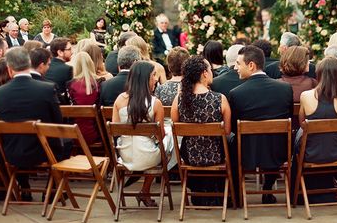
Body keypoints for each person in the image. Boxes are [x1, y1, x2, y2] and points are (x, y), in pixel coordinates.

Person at [0, 47, 64, 199]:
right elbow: (58, 122)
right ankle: (52, 190)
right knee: (66, 141)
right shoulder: (47, 89)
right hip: (44, 151)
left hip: (10, 152)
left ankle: (24, 186)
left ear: (9, 69)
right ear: (29, 63)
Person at [229, 44, 294, 204]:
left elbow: (231, 128)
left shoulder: (236, 93)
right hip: (279, 152)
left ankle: (236, 193)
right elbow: (289, 117)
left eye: (238, 63)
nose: (235, 67)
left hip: (246, 153)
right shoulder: (285, 89)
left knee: (229, 140)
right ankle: (268, 186)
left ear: (251, 65)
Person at [171, 56, 231, 204]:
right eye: (210, 70)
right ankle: (222, 192)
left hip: (190, 157)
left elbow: (175, 128)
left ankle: (198, 191)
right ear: (204, 73)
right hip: (215, 156)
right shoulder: (220, 99)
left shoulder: (179, 99)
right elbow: (227, 131)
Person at [113, 61, 171, 205]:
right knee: (171, 140)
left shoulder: (119, 100)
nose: (156, 79)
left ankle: (144, 191)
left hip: (125, 156)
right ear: (145, 78)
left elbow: (115, 131)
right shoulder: (155, 103)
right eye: (153, 75)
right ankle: (145, 190)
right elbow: (161, 135)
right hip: (148, 156)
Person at [298, 56, 337, 163]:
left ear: (319, 74)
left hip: (310, 153)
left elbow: (302, 125)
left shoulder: (305, 96)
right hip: (335, 153)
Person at [68, 51, 101, 144]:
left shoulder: (70, 85)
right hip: (98, 134)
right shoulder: (100, 83)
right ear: (91, 64)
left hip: (75, 134)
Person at [45, 37, 73, 104]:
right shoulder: (67, 69)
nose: (72, 52)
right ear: (60, 52)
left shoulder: (45, 67)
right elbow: (70, 93)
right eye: (69, 49)